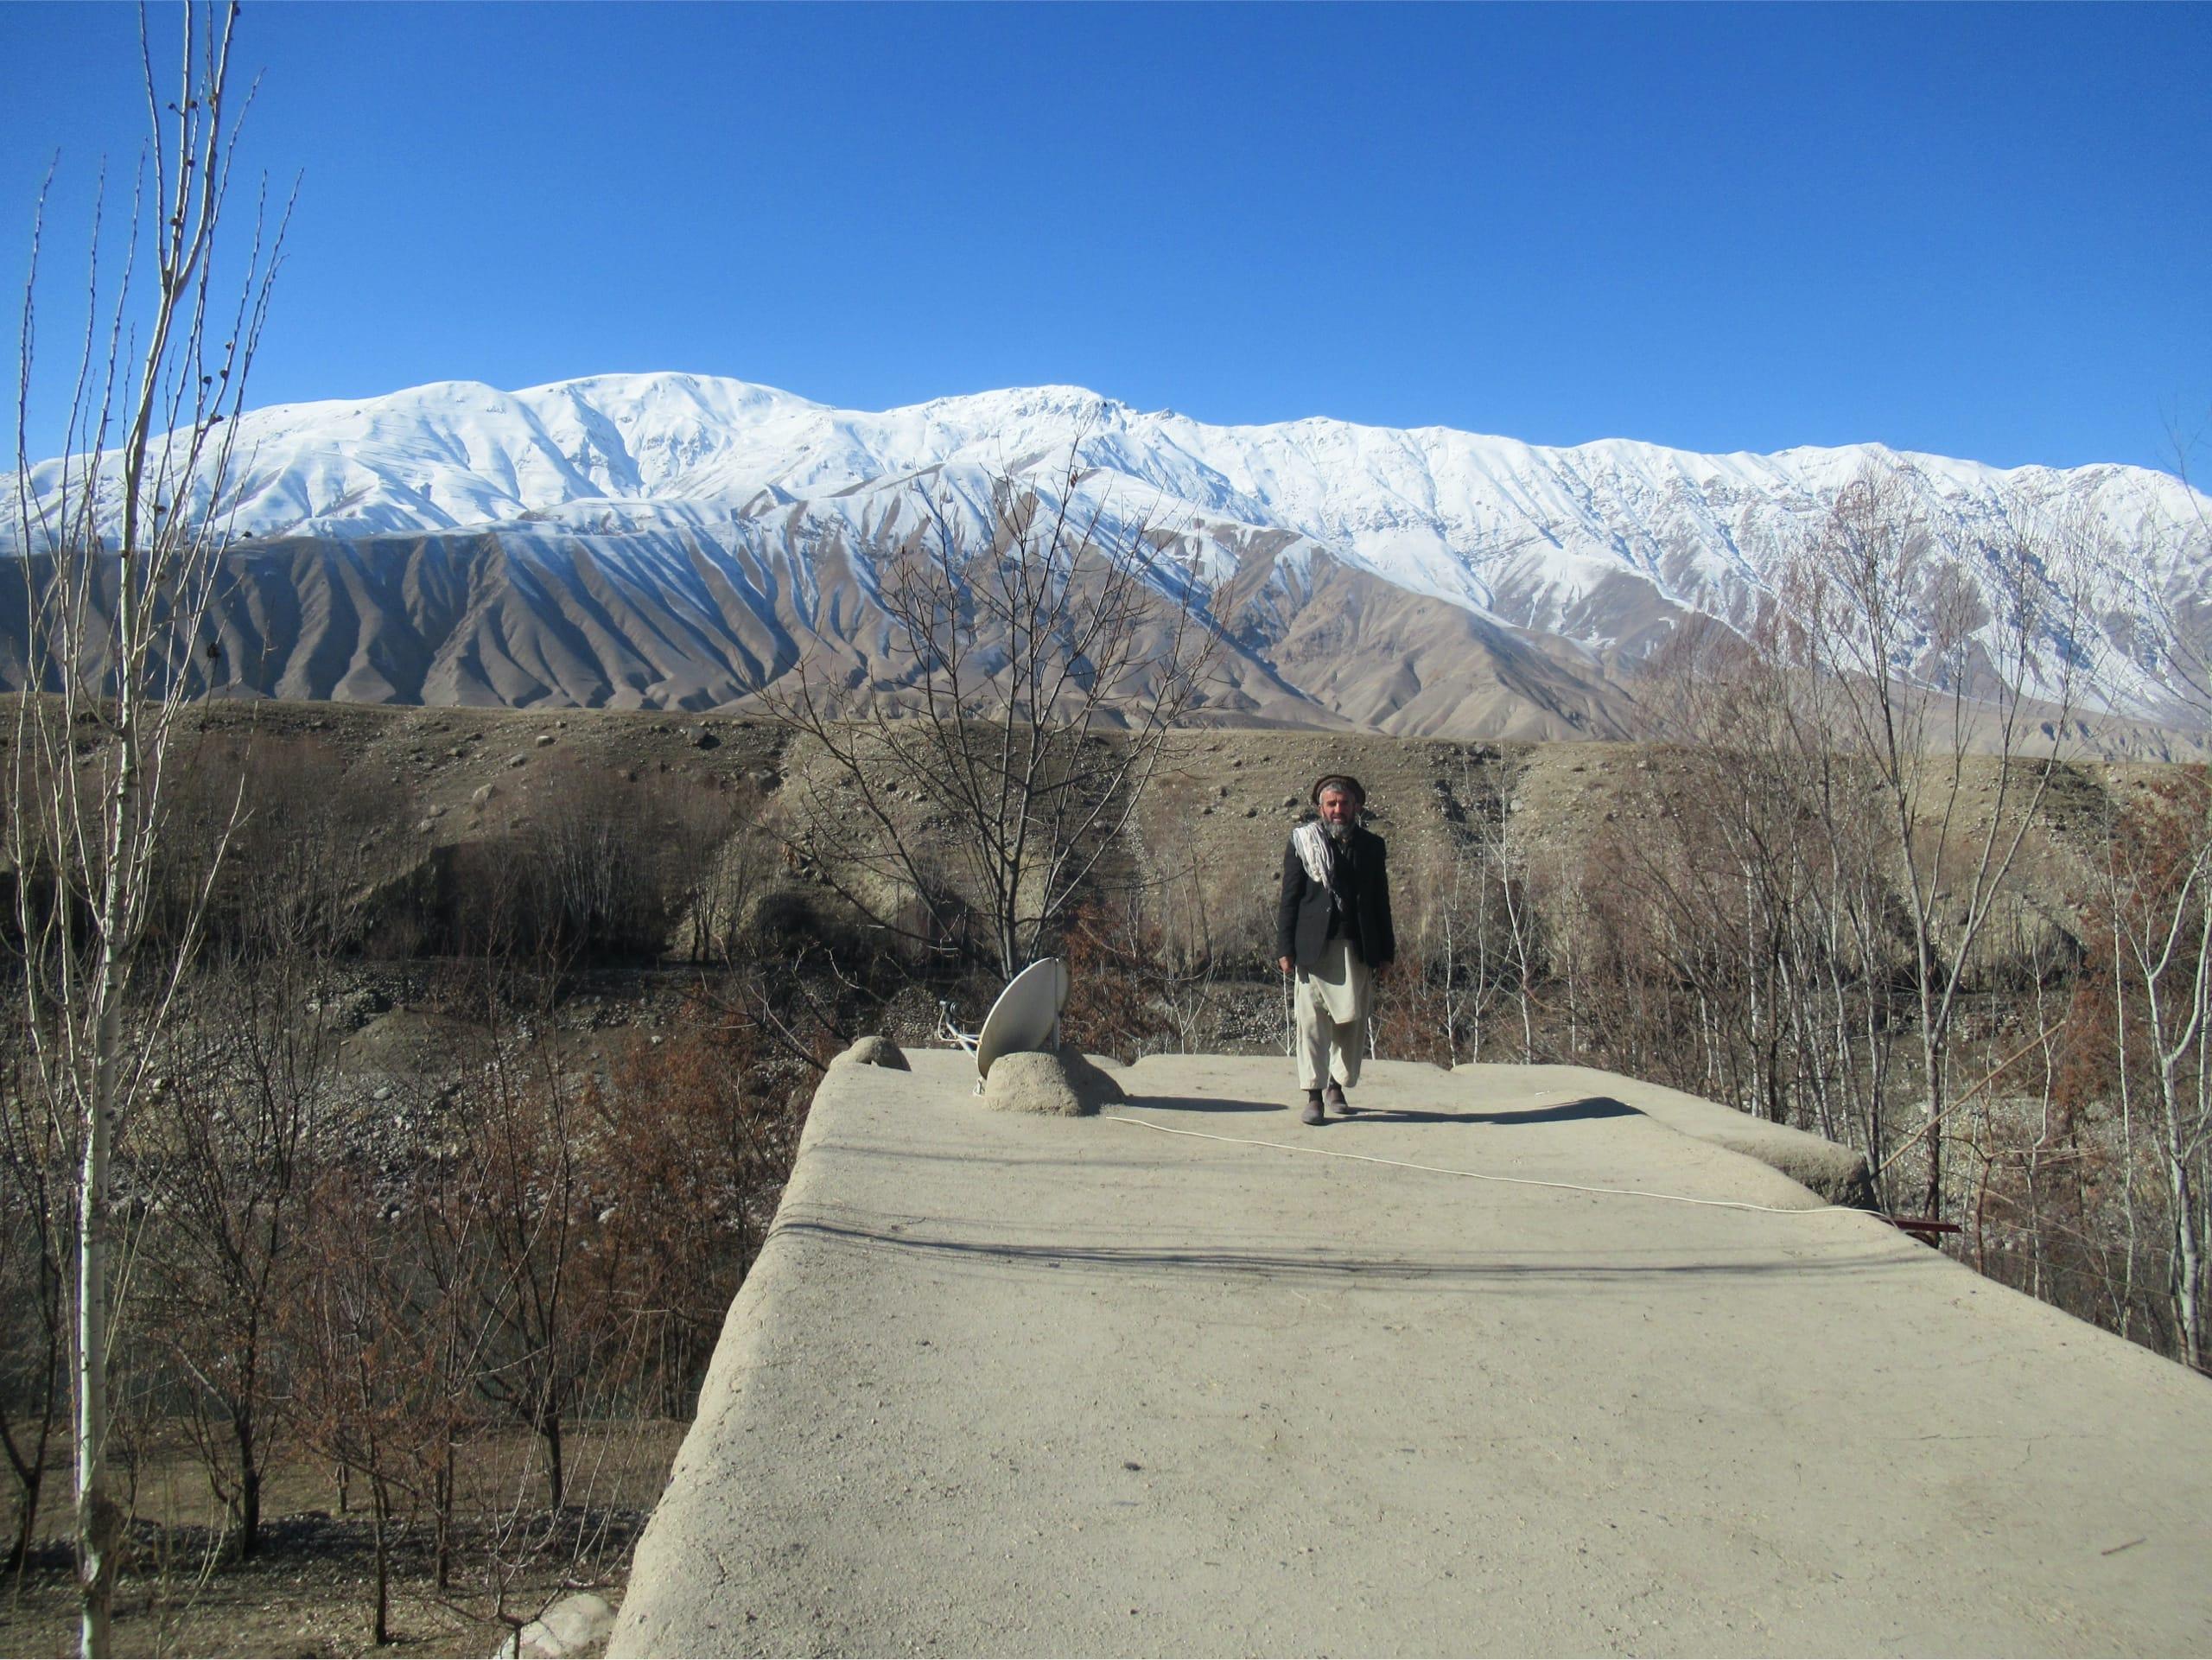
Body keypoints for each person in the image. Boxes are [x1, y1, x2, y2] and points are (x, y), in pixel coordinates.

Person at [1276, 773, 1395, 1124]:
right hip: (1313, 949)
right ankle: (1313, 1096)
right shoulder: (1303, 843)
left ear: (1356, 807)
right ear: (1321, 808)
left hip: (1356, 947)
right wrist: (1284, 947)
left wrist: (1387, 952)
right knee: (1311, 1024)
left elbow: (1381, 902)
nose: (1338, 810)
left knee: (1350, 1022)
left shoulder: (1372, 847)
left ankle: (1336, 1086)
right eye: (1332, 804)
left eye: (1344, 804)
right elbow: (1290, 899)